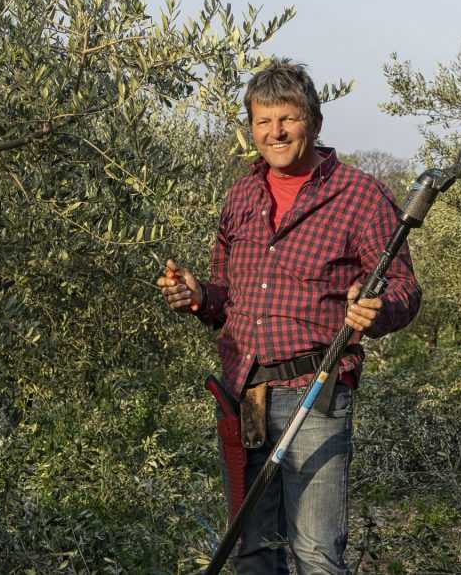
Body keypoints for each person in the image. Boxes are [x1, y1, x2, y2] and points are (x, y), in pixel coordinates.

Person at [157, 59, 421, 574]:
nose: (275, 132)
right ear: (251, 128)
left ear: (314, 123)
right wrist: (197, 296)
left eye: (287, 118)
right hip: (245, 395)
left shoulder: (360, 195)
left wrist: (378, 308)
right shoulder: (241, 197)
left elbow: (407, 291)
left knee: (317, 553)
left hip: (315, 392)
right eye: (263, 121)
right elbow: (228, 297)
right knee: (251, 550)